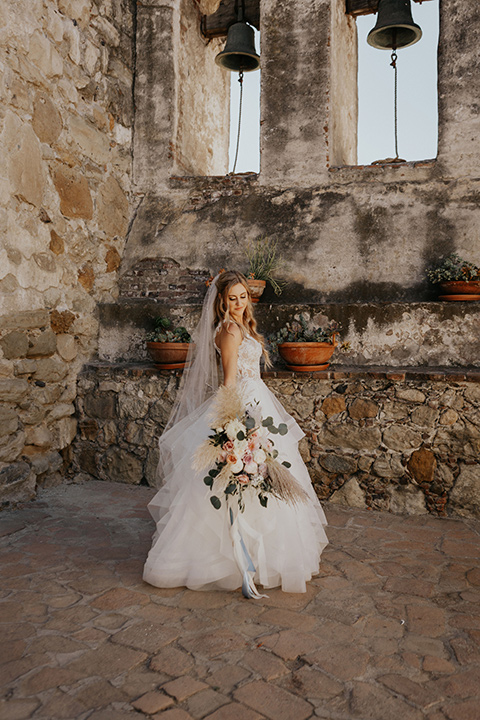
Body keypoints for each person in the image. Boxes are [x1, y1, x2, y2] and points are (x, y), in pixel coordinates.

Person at [143, 271, 328, 596]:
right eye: (233, 298)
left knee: (266, 478)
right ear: (222, 301)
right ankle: (234, 562)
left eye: (243, 297)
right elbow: (229, 381)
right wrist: (235, 424)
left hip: (258, 400)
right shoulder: (228, 330)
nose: (240, 303)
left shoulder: (240, 325)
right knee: (240, 480)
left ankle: (258, 558)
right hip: (243, 405)